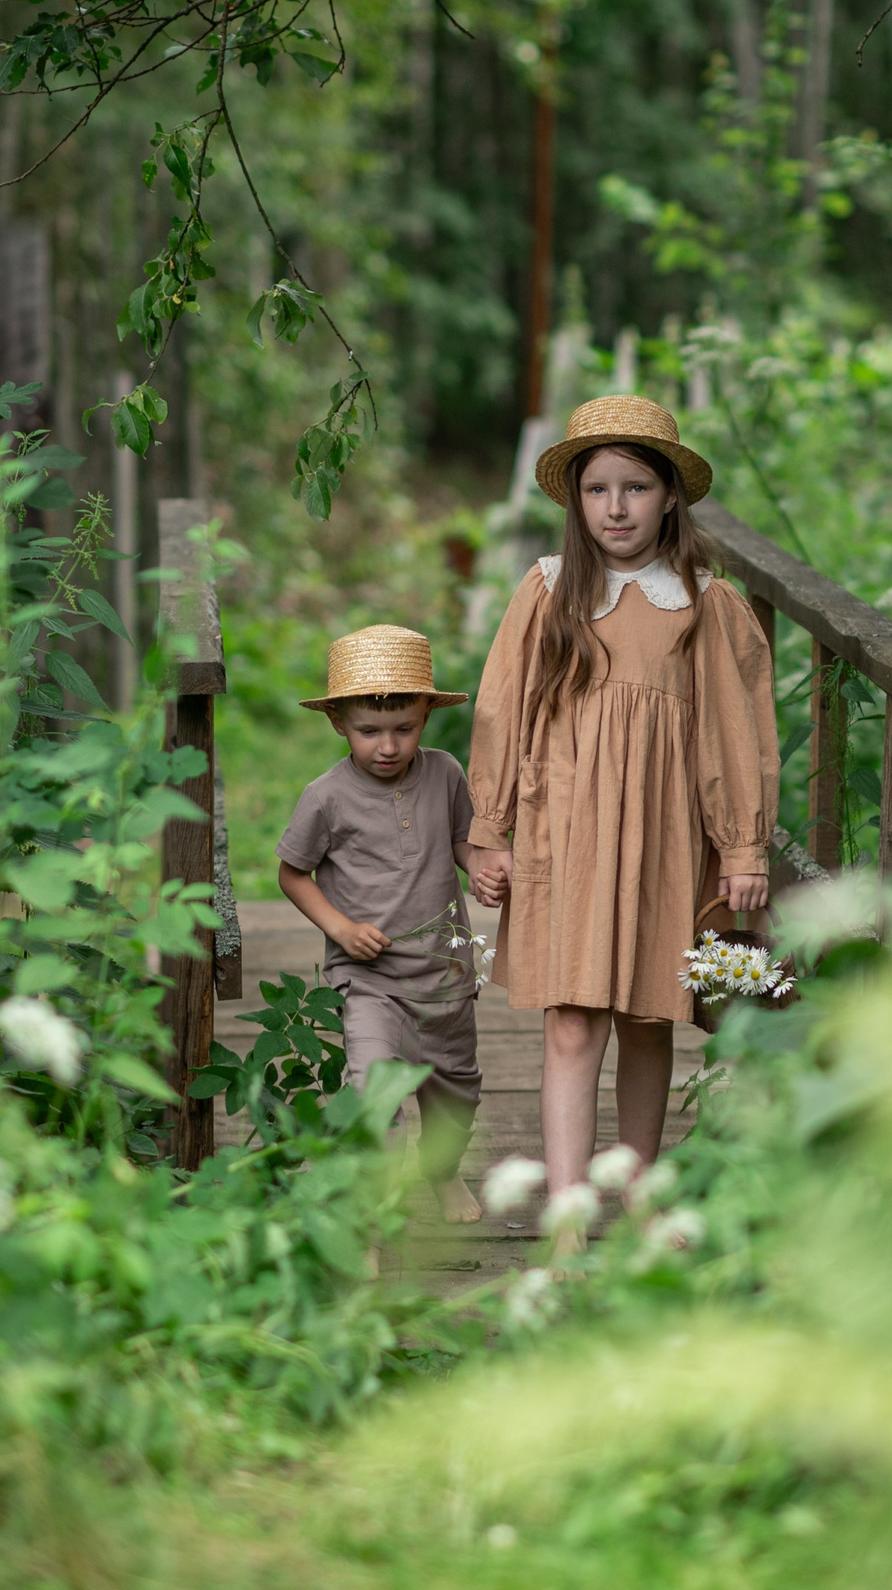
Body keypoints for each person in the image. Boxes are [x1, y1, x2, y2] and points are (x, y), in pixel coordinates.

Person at [465, 395, 779, 1224]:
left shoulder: (706, 603)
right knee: (571, 1022)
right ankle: (569, 1212)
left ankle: (638, 1192)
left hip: (665, 838)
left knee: (649, 1015)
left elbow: (736, 733)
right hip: (564, 830)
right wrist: (487, 831)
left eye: (636, 487)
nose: (616, 507)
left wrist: (744, 846)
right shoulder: (548, 590)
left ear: (671, 494)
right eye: (598, 489)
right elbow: (502, 712)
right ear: (575, 498)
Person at [276, 625, 487, 1224]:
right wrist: (341, 929)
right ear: (338, 722)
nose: (388, 746)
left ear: (426, 715)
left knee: (456, 1094)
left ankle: (441, 1172)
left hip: (445, 974)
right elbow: (293, 875)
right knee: (375, 1095)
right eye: (370, 731)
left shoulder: (445, 773)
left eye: (405, 729)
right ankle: (370, 1219)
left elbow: (461, 843)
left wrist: (484, 869)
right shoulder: (326, 796)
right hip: (368, 981)